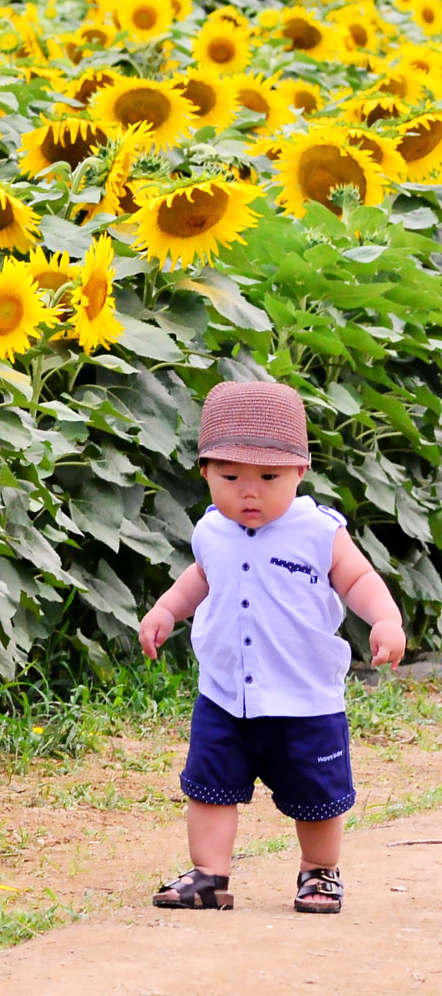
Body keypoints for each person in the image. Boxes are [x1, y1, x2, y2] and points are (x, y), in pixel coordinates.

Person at [137, 380, 406, 915]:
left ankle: (319, 872)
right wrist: (167, 609)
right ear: (206, 472)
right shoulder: (212, 529)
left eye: (268, 477)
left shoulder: (317, 530)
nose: (249, 492)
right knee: (209, 788)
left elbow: (356, 579)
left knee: (317, 795)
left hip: (305, 700)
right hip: (224, 695)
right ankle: (210, 877)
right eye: (230, 477)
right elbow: (200, 577)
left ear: (300, 472)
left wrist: (385, 619)